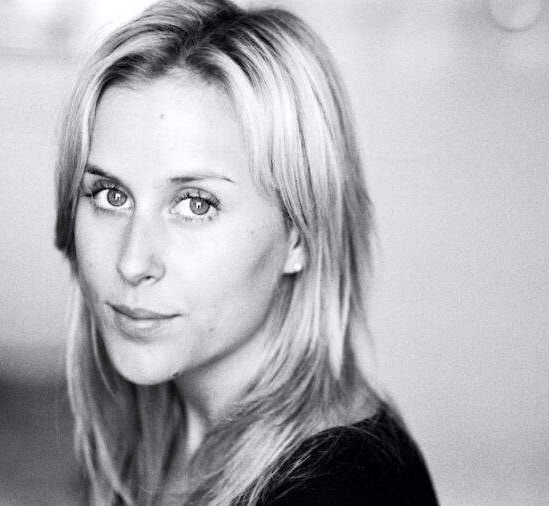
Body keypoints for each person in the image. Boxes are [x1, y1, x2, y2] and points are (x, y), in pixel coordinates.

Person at [54, 1, 438, 504]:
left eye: (195, 204)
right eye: (110, 195)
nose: (132, 262)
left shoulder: (339, 490)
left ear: (300, 235)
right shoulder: (150, 428)